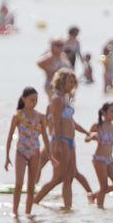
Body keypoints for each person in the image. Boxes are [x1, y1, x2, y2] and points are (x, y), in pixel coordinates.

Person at [34, 68, 94, 209]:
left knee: (69, 177)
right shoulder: (56, 99)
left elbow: (70, 121)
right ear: (61, 82)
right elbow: (56, 121)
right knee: (58, 178)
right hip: (61, 140)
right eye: (70, 82)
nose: (73, 84)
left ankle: (67, 209)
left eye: (74, 82)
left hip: (70, 141)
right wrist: (58, 144)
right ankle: (34, 202)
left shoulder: (65, 98)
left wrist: (86, 132)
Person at [3, 87, 49, 217]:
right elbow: (10, 137)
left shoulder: (40, 117)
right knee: (19, 184)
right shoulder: (18, 116)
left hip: (35, 152)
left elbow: (45, 137)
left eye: (36, 100)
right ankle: (15, 213)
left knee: (31, 186)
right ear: (24, 99)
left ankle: (28, 214)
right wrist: (7, 157)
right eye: (31, 100)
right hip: (21, 152)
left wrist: (51, 156)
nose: (34, 102)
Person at [86, 101, 113, 208]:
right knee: (103, 186)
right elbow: (86, 138)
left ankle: (93, 196)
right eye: (112, 111)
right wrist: (92, 136)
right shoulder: (97, 126)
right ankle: (100, 210)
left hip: (110, 159)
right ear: (104, 113)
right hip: (99, 159)